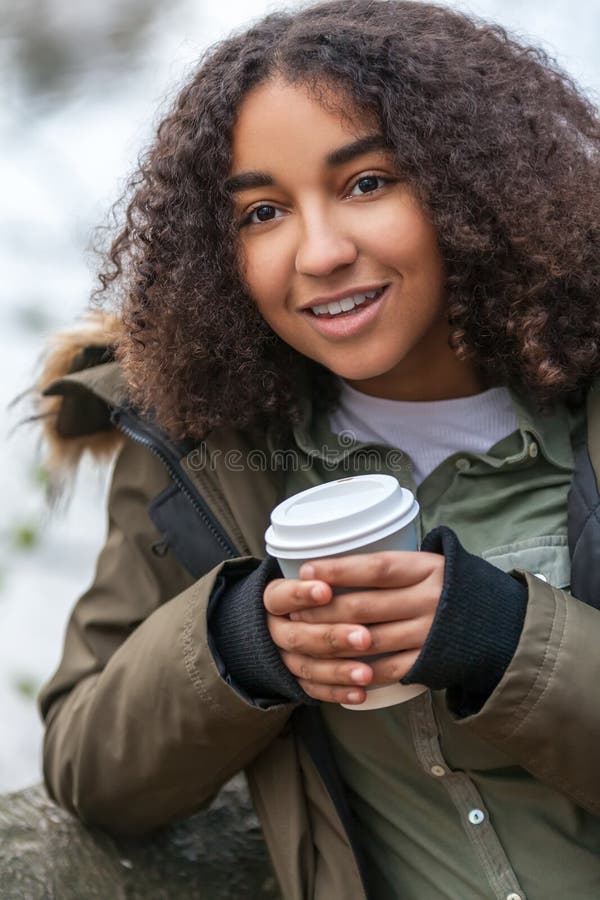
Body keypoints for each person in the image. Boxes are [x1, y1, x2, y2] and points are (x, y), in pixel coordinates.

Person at [34, 1, 600, 898]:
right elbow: (88, 770)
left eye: (367, 183)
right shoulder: (197, 446)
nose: (320, 251)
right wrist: (238, 645)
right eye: (262, 212)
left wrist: (499, 639)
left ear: (470, 185)